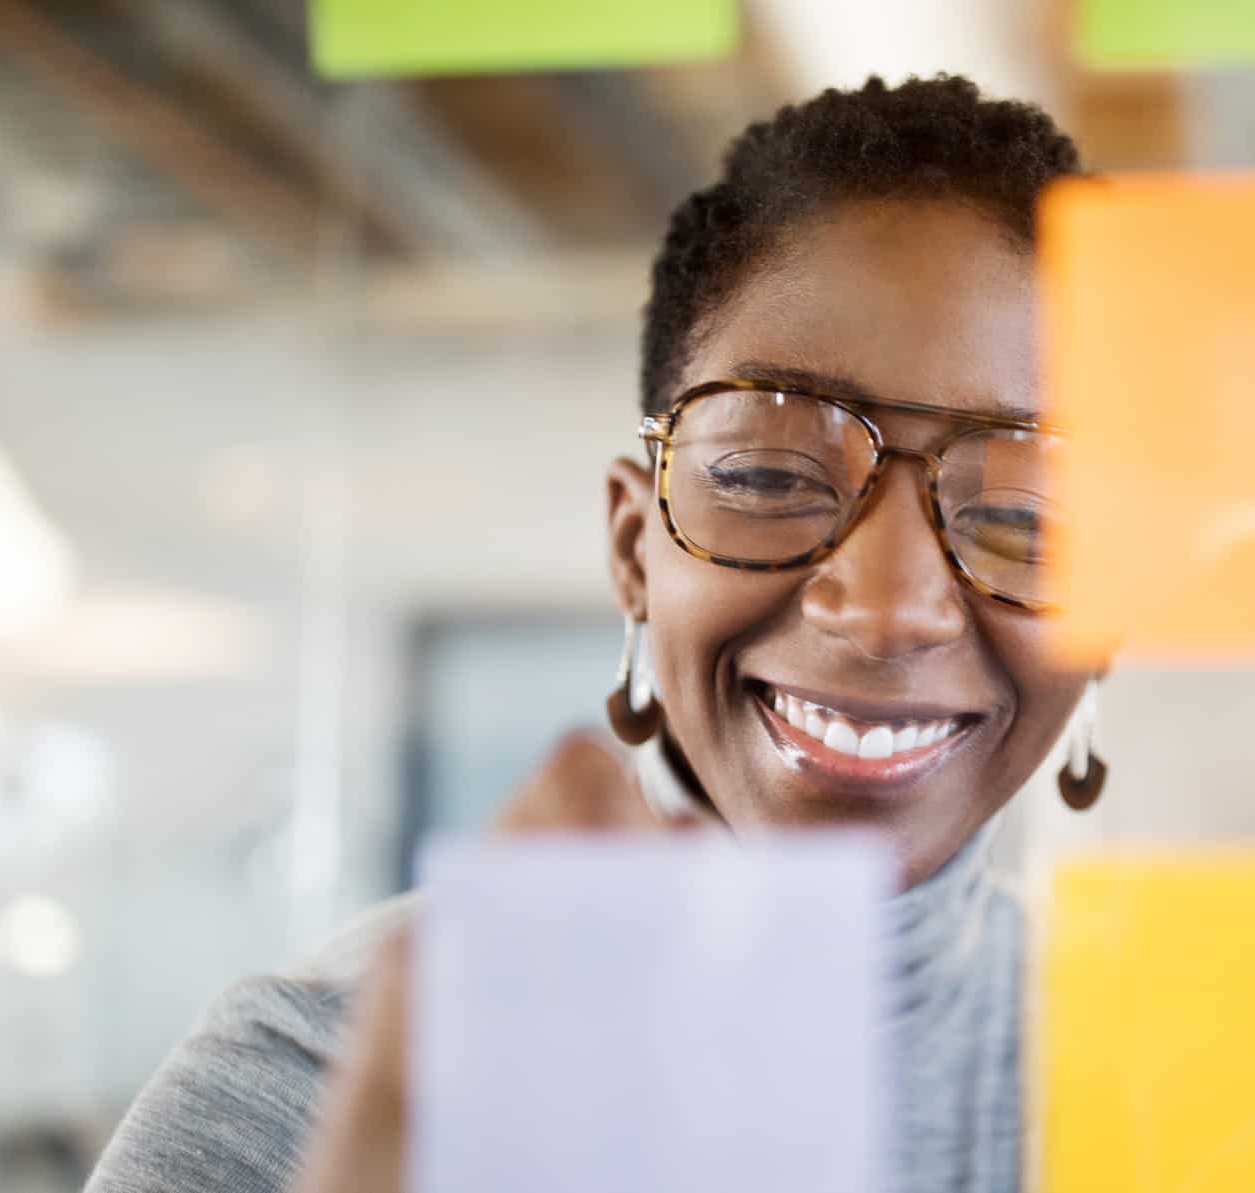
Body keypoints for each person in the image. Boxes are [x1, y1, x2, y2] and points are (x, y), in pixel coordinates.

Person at [83, 76, 1102, 1193]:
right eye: (769, 471)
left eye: (1020, 514)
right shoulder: (315, 1088)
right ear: (634, 548)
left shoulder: (1187, 1071)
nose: (891, 604)